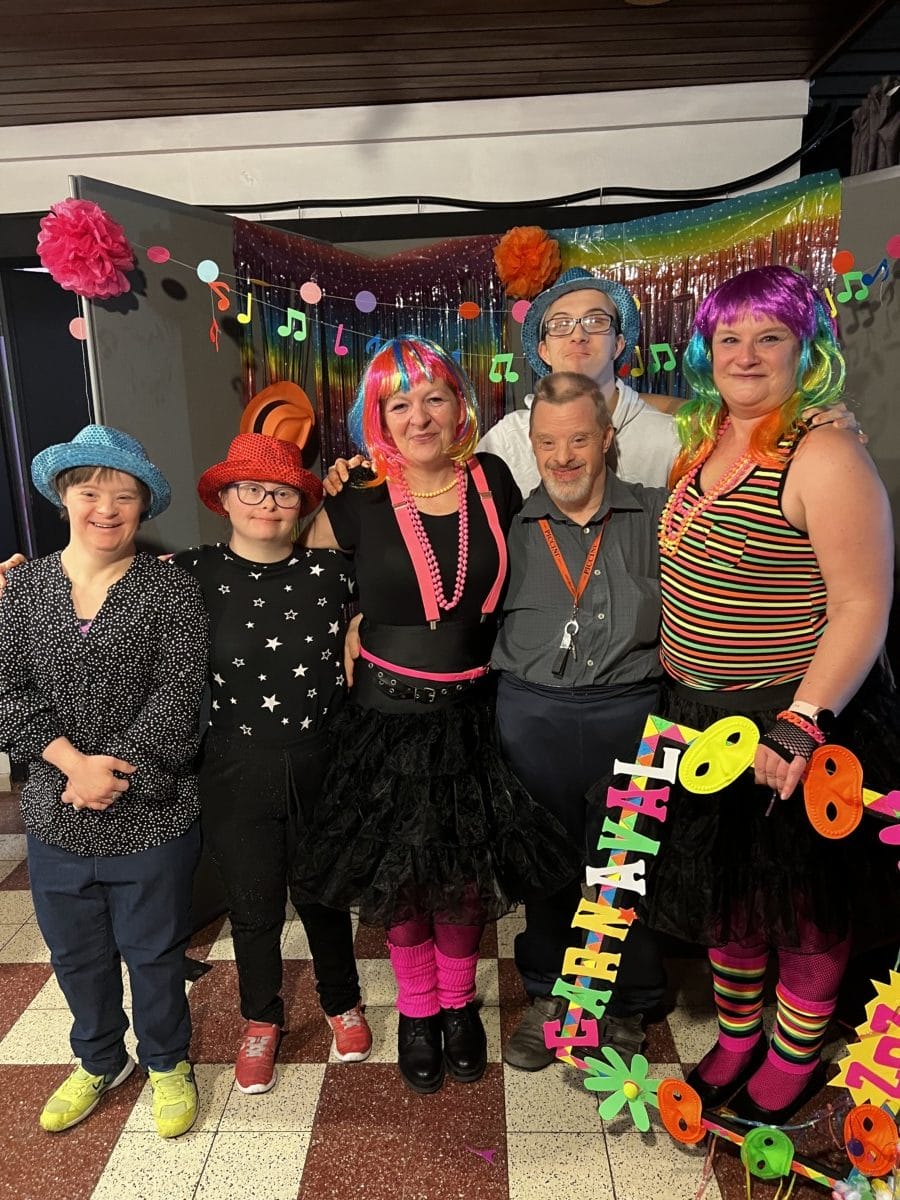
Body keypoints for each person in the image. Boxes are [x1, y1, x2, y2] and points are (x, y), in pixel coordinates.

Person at [642, 265, 899, 1124]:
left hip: (789, 718)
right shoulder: (707, 435)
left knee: (803, 907)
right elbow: (618, 406)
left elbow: (862, 605)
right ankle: (739, 1036)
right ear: (706, 352)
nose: (746, 355)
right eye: (730, 339)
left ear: (806, 350)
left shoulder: (824, 452)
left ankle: (793, 1058)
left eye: (770, 337)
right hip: (700, 720)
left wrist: (801, 723)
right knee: (729, 898)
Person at [296, 335, 580, 1094]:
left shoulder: (493, 478)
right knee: (403, 879)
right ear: (378, 418)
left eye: (434, 398)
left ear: (460, 407)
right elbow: (306, 592)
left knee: (460, 879)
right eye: (399, 404)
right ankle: (417, 1013)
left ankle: (458, 1008)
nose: (418, 416)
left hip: (474, 715)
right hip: (384, 721)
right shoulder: (353, 496)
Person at [0, 425, 208, 1138]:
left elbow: (179, 698)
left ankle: (167, 1061)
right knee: (76, 953)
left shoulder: (170, 589)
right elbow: (8, 692)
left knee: (154, 951)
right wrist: (71, 764)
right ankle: (98, 1059)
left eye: (125, 496)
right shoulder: (23, 590)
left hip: (149, 808)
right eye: (91, 492)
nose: (107, 509)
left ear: (144, 506)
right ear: (64, 497)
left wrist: (107, 774)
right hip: (55, 810)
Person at [175, 432, 371, 1095]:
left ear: (300, 505)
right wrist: (27, 579)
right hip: (234, 762)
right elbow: (103, 581)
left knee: (323, 893)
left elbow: (398, 588)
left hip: (322, 757)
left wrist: (359, 626)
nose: (266, 503)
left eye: (282, 492)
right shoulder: (189, 572)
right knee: (253, 904)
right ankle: (261, 1018)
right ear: (225, 499)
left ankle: (342, 1001)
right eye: (252, 490)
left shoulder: (332, 573)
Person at [490, 371, 669, 1070]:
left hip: (635, 718)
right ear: (532, 445)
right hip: (532, 721)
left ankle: (624, 1002)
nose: (562, 458)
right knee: (547, 871)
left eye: (578, 440)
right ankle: (552, 994)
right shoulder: (506, 528)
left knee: (624, 870)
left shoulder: (659, 515)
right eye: (547, 443)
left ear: (607, 439)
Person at [477, 266, 680, 495]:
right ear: (544, 351)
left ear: (617, 345)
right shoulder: (506, 440)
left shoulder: (668, 439)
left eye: (595, 321)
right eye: (561, 324)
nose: (578, 335)